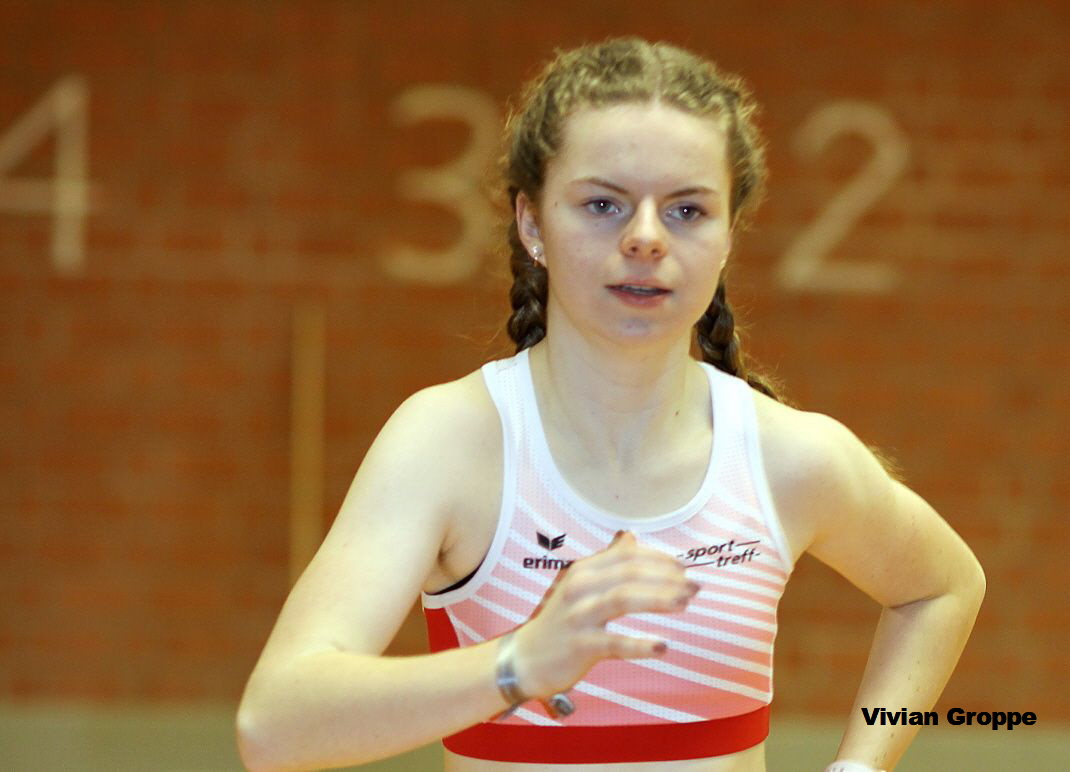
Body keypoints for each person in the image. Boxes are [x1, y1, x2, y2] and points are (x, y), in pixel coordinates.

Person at [236, 38, 985, 772]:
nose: (646, 238)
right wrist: (516, 664)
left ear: (729, 235)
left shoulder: (788, 457)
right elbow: (273, 727)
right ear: (532, 223)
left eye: (687, 210)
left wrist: (861, 767)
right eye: (603, 204)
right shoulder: (452, 443)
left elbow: (942, 588)